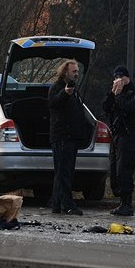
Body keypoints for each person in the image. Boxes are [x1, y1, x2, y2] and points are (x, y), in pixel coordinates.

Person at [102, 66, 135, 216]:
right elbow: (106, 108)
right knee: (114, 170)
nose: (118, 80)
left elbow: (131, 108)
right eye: (115, 78)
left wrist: (120, 96)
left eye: (121, 77)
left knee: (124, 169)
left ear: (127, 78)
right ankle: (120, 200)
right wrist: (112, 94)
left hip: (128, 135)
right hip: (116, 135)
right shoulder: (115, 94)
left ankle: (127, 203)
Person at [48, 59, 89, 216]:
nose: (76, 74)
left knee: (64, 171)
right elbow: (54, 103)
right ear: (65, 72)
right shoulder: (57, 89)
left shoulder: (74, 91)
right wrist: (65, 94)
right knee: (64, 172)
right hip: (62, 136)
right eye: (74, 71)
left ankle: (57, 204)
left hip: (71, 136)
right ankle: (67, 204)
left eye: (77, 71)